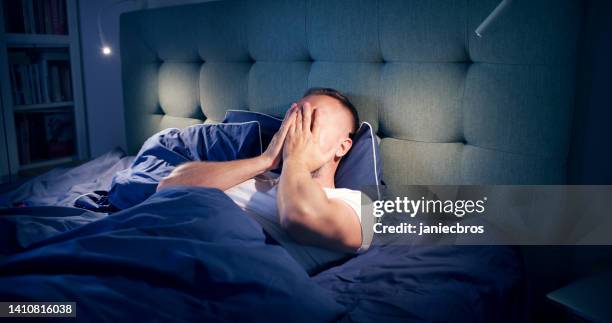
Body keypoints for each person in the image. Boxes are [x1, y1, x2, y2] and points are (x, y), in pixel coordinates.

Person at [157, 88, 371, 273]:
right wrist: (265, 160)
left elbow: (300, 217)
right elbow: (168, 187)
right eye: (295, 117)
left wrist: (296, 160)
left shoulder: (362, 206)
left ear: (343, 146)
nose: (296, 129)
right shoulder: (255, 175)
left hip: (212, 260)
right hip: (161, 233)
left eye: (310, 122)